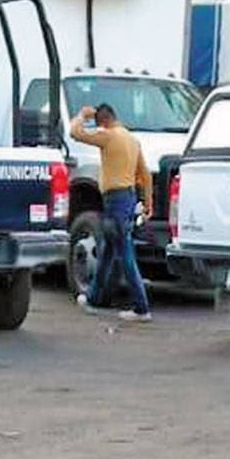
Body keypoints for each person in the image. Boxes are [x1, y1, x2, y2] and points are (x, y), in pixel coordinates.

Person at [69, 103, 154, 322]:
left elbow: (75, 133)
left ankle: (141, 307)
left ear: (104, 122)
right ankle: (94, 297)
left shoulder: (109, 136)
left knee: (125, 251)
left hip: (114, 199)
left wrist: (82, 115)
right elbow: (145, 175)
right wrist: (148, 203)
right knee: (107, 248)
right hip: (128, 196)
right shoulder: (132, 140)